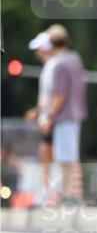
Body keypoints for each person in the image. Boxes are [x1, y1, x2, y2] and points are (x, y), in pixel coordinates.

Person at [41, 24, 87, 204]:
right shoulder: (75, 59)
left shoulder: (59, 64)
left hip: (64, 116)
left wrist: (49, 117)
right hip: (76, 114)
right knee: (72, 157)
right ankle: (75, 194)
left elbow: (59, 96)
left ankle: (72, 195)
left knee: (65, 159)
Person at [24, 31, 57, 203]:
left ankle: (48, 193)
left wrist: (46, 116)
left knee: (48, 155)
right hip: (48, 118)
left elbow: (53, 96)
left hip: (51, 119)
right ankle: (46, 192)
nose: (36, 52)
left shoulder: (53, 66)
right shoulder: (49, 67)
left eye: (38, 48)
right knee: (46, 155)